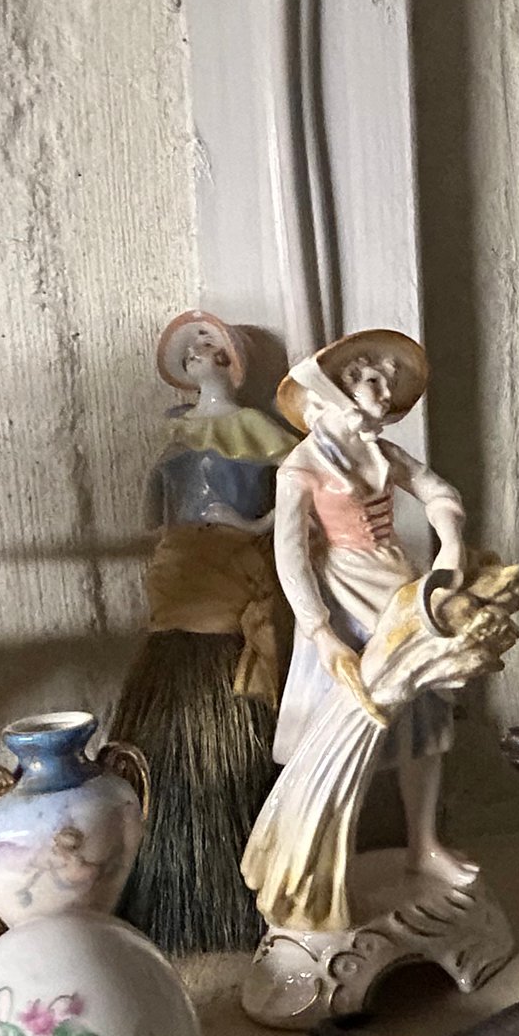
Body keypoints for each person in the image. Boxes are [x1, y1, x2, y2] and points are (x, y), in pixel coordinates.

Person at [240, 329, 474, 933]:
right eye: (372, 381)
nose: (385, 392)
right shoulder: (302, 468)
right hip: (344, 597)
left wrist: (450, 541)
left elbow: (437, 490)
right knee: (350, 732)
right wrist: (321, 631)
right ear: (335, 394)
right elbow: (291, 557)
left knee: (426, 720)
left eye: (388, 384)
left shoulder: (383, 454)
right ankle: (331, 860)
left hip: (399, 586)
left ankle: (424, 844)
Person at [114, 310, 299, 955]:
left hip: (235, 566)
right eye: (192, 351)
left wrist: (249, 527)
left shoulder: (259, 430)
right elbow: (152, 512)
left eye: (215, 348)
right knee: (170, 691)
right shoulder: (176, 435)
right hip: (181, 570)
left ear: (232, 361)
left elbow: (298, 492)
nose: (203, 356)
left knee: (234, 695)